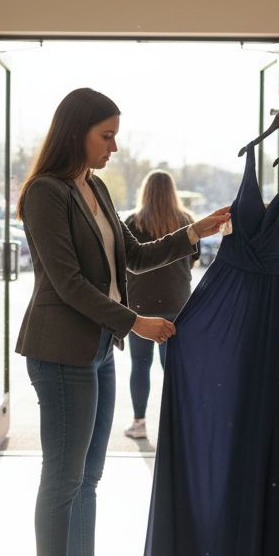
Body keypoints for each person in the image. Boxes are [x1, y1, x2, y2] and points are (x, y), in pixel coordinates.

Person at [15, 87, 231, 556]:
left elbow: (130, 258)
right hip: (60, 349)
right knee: (61, 477)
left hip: (96, 348)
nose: (113, 146)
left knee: (88, 474)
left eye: (115, 136)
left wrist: (192, 233)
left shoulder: (95, 188)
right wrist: (133, 323)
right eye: (105, 135)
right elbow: (66, 283)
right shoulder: (46, 193)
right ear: (76, 132)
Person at [121, 170, 197, 440]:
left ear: (145, 191)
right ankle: (176, 423)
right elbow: (193, 260)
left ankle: (139, 423)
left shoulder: (132, 222)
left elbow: (126, 260)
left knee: (140, 365)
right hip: (177, 303)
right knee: (173, 367)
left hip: (140, 305)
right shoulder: (186, 221)